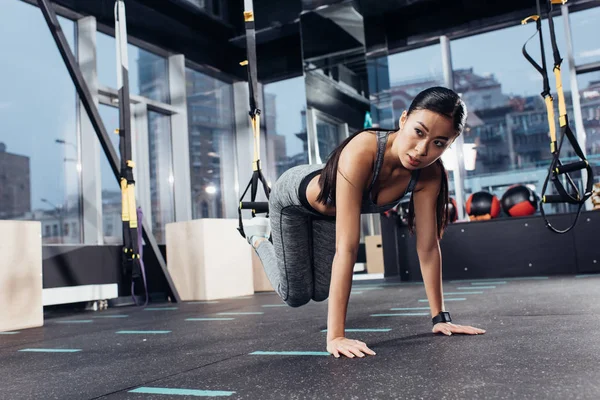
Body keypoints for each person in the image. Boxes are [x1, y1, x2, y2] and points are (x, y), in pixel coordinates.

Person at [244, 86, 486, 359]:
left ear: (450, 145)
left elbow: (428, 248)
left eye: (439, 143)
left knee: (321, 291)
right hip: (294, 202)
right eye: (419, 132)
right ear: (404, 119)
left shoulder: (428, 175)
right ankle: (258, 236)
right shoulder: (364, 149)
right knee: (296, 295)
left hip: (328, 213)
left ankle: (264, 239)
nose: (422, 150)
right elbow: (347, 247)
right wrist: (335, 336)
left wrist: (440, 317)